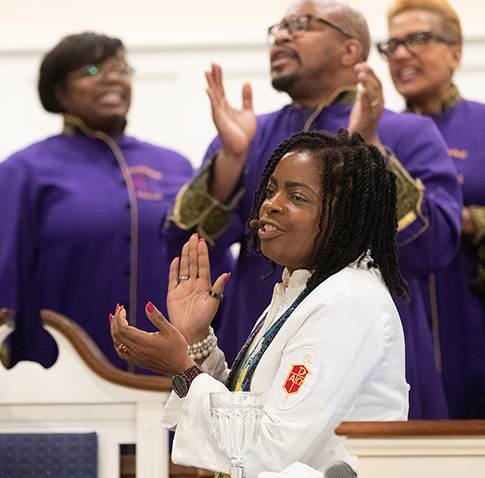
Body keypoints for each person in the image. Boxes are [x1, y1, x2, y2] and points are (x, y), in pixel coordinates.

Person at [164, 0, 462, 419]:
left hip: (367, 353)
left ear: (350, 51)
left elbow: (433, 247)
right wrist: (231, 161)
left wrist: (371, 145)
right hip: (257, 340)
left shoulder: (407, 132)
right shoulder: (249, 133)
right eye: (279, 27)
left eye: (301, 24)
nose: (282, 35)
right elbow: (184, 246)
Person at [111, 130, 410, 475]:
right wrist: (196, 341)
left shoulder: (347, 301)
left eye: (297, 197)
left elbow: (271, 452)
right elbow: (249, 411)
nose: (271, 204)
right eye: (270, 191)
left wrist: (182, 369)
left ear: (345, 215)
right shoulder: (306, 287)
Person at [0, 32, 202, 372]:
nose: (111, 78)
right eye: (92, 70)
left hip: (165, 377)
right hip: (57, 374)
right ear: (59, 92)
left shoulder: (175, 165)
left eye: (121, 69)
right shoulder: (23, 170)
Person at [378, 0, 485, 420]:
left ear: (455, 52)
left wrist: (463, 220)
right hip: (402, 317)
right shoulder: (375, 133)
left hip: (471, 311)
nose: (402, 53)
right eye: (393, 45)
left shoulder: (480, 125)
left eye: (419, 39)